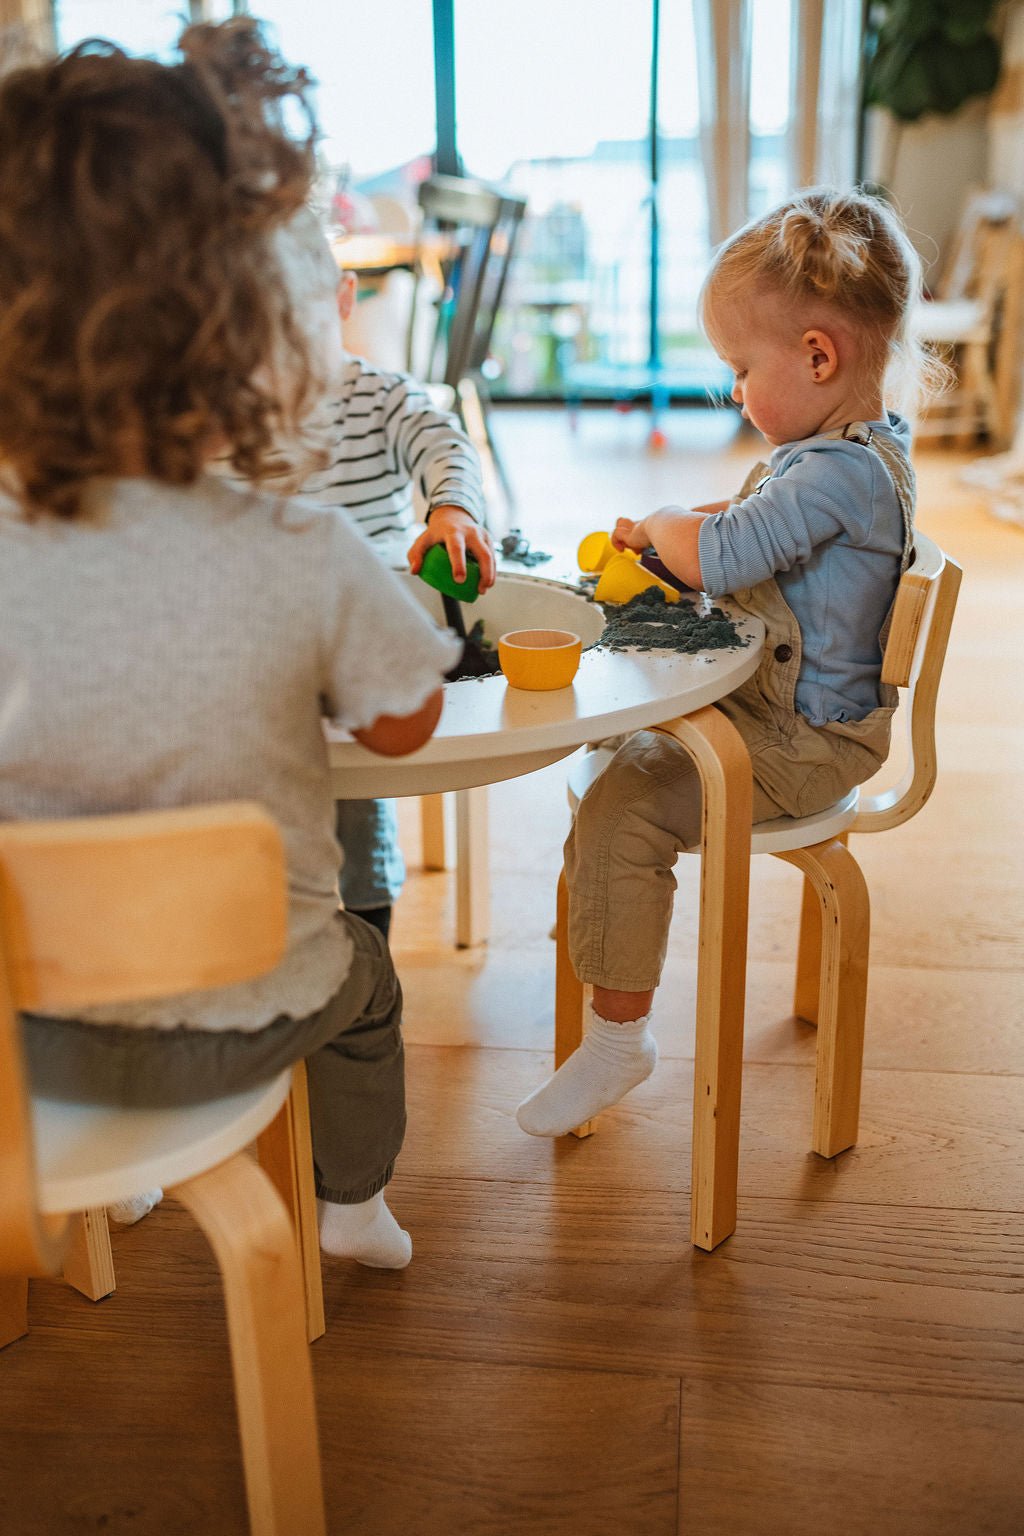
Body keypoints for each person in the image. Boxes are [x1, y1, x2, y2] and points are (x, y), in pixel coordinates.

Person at [0, 20, 463, 1267]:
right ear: (247, 323)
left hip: (24, 1025)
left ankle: (117, 1180)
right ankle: (352, 1206)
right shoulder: (302, 551)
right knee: (365, 973)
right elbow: (404, 723)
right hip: (257, 1005)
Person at [516, 187, 924, 1137]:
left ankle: (622, 1039)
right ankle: (602, 941)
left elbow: (732, 553)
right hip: (790, 721)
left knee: (620, 803)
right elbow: (755, 529)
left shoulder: (839, 473)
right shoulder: (847, 455)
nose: (734, 391)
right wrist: (695, 527)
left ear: (820, 354)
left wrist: (665, 528)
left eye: (742, 368)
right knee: (616, 759)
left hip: (802, 745)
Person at [287, 239, 496, 944]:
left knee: (356, 761)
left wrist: (452, 509)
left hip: (367, 624)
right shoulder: (219, 409)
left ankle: (363, 917)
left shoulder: (380, 394)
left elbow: (446, 446)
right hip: (266, 629)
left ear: (343, 299)